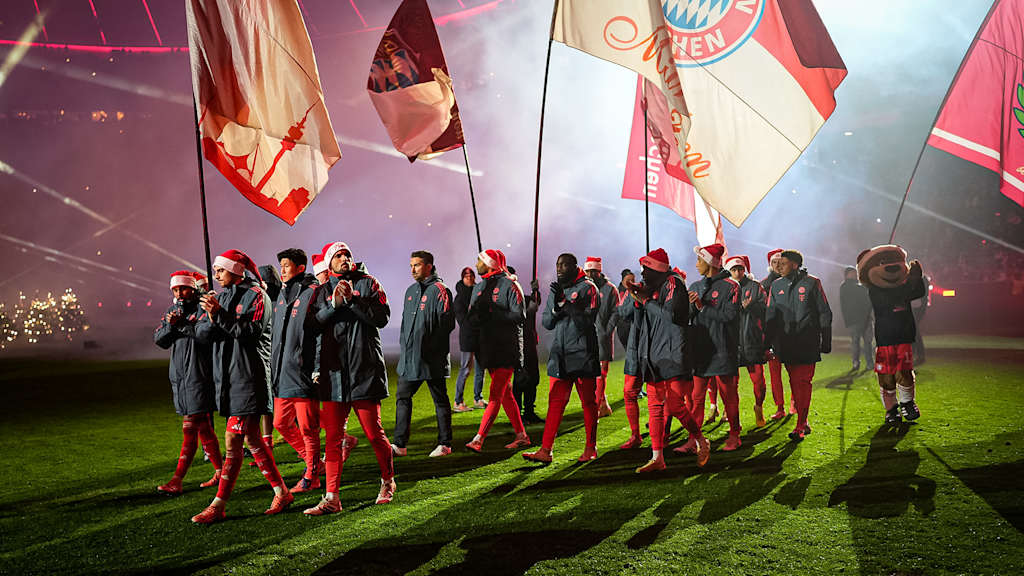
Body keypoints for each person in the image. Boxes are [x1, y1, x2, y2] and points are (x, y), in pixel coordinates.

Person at [191, 250, 291, 524]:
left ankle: (218, 504)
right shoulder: (219, 297)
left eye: (220, 269)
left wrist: (219, 315)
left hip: (249, 377)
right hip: (228, 379)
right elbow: (201, 334)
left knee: (234, 440)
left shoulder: (258, 295)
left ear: (236, 270)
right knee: (251, 439)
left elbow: (250, 332)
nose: (216, 274)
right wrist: (212, 316)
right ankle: (282, 492)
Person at [305, 241, 396, 515]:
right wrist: (333, 304)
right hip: (334, 376)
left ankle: (388, 481)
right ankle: (332, 497)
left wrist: (354, 300)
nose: (344, 259)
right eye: (338, 255)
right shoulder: (321, 291)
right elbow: (312, 324)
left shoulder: (369, 283)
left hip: (364, 372)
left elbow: (382, 317)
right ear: (329, 262)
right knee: (333, 438)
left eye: (347, 255)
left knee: (374, 433)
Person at [625, 248, 709, 473]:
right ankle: (657, 457)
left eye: (645, 269)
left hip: (673, 354)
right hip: (653, 355)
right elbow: (632, 314)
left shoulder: (674, 283)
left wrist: (645, 301)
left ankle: (701, 439)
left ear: (656, 269)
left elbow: (672, 315)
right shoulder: (653, 287)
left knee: (674, 404)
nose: (642, 274)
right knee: (654, 407)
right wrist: (636, 296)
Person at [523, 254, 600, 463]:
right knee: (555, 402)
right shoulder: (558, 289)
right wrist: (557, 305)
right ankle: (546, 450)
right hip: (560, 354)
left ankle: (590, 448)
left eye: (564, 264)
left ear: (575, 266)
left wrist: (566, 304)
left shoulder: (588, 288)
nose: (559, 268)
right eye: (557, 264)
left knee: (588, 403)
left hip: (583, 353)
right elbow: (547, 321)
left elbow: (587, 322)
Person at [153, 271, 223, 494]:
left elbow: (206, 334)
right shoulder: (172, 311)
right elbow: (160, 340)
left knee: (191, 426)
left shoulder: (204, 307)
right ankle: (221, 472)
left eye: (182, 289)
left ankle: (177, 479)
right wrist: (171, 325)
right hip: (181, 377)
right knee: (203, 427)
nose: (179, 293)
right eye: (175, 290)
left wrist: (181, 324)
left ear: (193, 289)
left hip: (200, 375)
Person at [465, 249, 531, 452]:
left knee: (495, 393)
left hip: (506, 347)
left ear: (490, 263)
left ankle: (478, 439)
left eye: (480, 261)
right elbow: (472, 316)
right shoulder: (479, 287)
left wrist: (493, 313)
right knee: (506, 393)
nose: (476, 264)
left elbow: (519, 316)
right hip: (488, 347)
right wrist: (477, 315)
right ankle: (522, 436)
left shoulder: (511, 285)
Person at [392, 250, 455, 458]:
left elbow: (446, 325)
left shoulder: (440, 290)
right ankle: (400, 445)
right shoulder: (410, 291)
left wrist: (431, 351)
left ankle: (445, 444)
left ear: (429, 266)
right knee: (402, 397)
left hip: (431, 359)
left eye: (417, 265)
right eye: (411, 265)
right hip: (410, 359)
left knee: (439, 399)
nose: (412, 269)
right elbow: (404, 325)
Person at [269, 248, 322, 494]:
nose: (282, 270)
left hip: (303, 371)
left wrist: (317, 367)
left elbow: (321, 332)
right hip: (282, 373)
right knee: (280, 423)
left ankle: (312, 476)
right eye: (280, 266)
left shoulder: (313, 292)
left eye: (286, 265)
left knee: (308, 428)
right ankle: (315, 463)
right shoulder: (281, 294)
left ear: (300, 268)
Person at [765, 250, 833, 441]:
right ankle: (804, 420)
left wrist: (825, 339)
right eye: (778, 263)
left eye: (783, 263)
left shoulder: (812, 282)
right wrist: (767, 343)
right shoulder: (776, 285)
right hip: (786, 344)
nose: (779, 266)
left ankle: (800, 425)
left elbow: (824, 312)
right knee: (795, 382)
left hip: (807, 342)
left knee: (803, 382)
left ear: (795, 264)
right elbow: (771, 317)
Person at [855, 245, 926, 424]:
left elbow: (917, 292)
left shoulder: (904, 286)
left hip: (903, 336)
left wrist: (918, 277)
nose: (892, 266)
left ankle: (907, 403)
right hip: (885, 338)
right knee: (886, 375)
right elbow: (894, 297)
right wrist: (912, 279)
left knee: (905, 371)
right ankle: (891, 409)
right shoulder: (876, 290)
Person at [686, 244, 743, 451]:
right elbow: (689, 317)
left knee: (729, 396)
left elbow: (729, 316)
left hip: (722, 350)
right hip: (701, 351)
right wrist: (690, 308)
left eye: (700, 260)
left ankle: (735, 435)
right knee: (696, 397)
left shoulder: (731, 286)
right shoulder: (695, 286)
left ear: (710, 263)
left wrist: (702, 307)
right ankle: (694, 439)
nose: (696, 264)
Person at [726, 256, 770, 428]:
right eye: (734, 270)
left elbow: (765, 309)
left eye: (740, 269)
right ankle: (732, 416)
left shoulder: (755, 287)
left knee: (759, 381)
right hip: (732, 342)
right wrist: (740, 308)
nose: (737, 273)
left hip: (752, 340)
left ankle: (758, 407)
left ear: (744, 270)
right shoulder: (725, 288)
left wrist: (751, 306)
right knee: (731, 384)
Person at [584, 257, 619, 418]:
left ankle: (597, 406)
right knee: (590, 374)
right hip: (586, 337)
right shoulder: (583, 288)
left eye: (594, 271)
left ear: (599, 271)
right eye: (588, 271)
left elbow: (616, 311)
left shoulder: (610, 289)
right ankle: (602, 403)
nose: (591, 274)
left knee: (601, 373)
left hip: (603, 337)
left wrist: (607, 330)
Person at [511, 267, 544, 424]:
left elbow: (535, 302)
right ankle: (518, 415)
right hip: (515, 344)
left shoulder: (523, 297)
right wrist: (529, 311)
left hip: (529, 342)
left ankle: (529, 411)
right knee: (519, 379)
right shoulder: (506, 300)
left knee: (533, 378)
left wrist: (536, 290)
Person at [762, 249, 789, 419]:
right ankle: (780, 407)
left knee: (794, 372)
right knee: (775, 374)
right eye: (774, 262)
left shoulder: (794, 282)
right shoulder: (764, 285)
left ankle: (795, 402)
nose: (778, 265)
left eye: (781, 262)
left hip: (791, 334)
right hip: (772, 336)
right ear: (769, 265)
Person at [453, 266, 486, 412]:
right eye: (466, 275)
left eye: (471, 274)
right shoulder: (459, 297)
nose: (469, 277)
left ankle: (478, 398)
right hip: (468, 337)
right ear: (462, 277)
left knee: (481, 368)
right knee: (465, 369)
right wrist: (476, 319)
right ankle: (458, 402)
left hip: (481, 336)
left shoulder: (480, 292)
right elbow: (462, 319)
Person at [840, 265, 873, 371]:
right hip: (854, 320)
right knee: (856, 342)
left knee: (867, 342)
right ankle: (856, 362)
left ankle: (869, 363)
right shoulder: (846, 286)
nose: (855, 275)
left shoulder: (861, 286)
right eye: (853, 273)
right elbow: (844, 305)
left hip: (866, 319)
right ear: (847, 274)